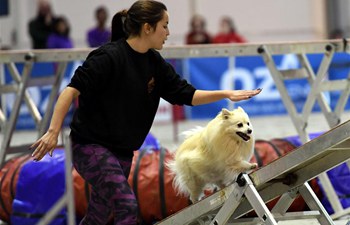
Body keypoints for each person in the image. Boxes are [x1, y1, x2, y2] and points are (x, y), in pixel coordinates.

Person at [31, 1, 262, 224]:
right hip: (90, 147)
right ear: (147, 28)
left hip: (122, 152)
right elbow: (70, 91)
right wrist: (53, 132)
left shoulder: (155, 63)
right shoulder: (108, 56)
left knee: (98, 216)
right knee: (126, 205)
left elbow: (186, 94)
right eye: (165, 25)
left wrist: (226, 94)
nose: (168, 32)